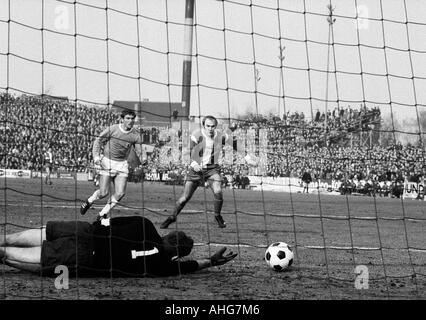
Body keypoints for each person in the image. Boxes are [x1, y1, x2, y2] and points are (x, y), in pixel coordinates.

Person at [0, 215, 237, 277]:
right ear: (176, 255)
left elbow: (108, 221)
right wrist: (210, 262)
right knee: (6, 254)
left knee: (9, 238)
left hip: (83, 230)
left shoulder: (144, 224)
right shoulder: (160, 266)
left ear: (169, 234)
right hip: (84, 256)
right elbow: (187, 267)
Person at [160, 116, 246, 229]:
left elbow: (234, 143)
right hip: (196, 170)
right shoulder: (197, 135)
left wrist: (247, 157)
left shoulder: (220, 135)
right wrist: (194, 164)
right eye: (208, 126)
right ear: (203, 126)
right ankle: (172, 217)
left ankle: (217, 216)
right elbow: (186, 152)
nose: (210, 128)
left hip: (211, 169)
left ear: (216, 126)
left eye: (213, 126)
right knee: (184, 198)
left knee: (218, 191)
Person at [80, 110, 147, 220]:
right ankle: (89, 201)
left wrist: (143, 158)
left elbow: (139, 150)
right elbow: (98, 141)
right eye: (128, 118)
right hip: (108, 162)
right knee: (103, 193)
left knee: (120, 193)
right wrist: (96, 156)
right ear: (122, 119)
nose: (130, 121)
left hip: (122, 164)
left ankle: (102, 214)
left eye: (132, 119)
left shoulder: (136, 135)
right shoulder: (113, 129)